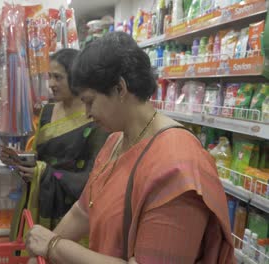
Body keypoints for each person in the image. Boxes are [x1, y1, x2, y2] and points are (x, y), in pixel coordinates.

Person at [25, 32, 234, 263]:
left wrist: (54, 246)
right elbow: (83, 210)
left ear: (120, 89)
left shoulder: (179, 166)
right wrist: (43, 251)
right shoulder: (115, 140)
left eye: (89, 101)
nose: (87, 114)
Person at [0, 48, 108, 240]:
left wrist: (43, 173)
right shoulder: (47, 112)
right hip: (39, 201)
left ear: (75, 78)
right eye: (49, 76)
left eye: (58, 77)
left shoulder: (95, 118)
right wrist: (18, 162)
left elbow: (92, 179)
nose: (51, 84)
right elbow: (38, 160)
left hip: (72, 214)